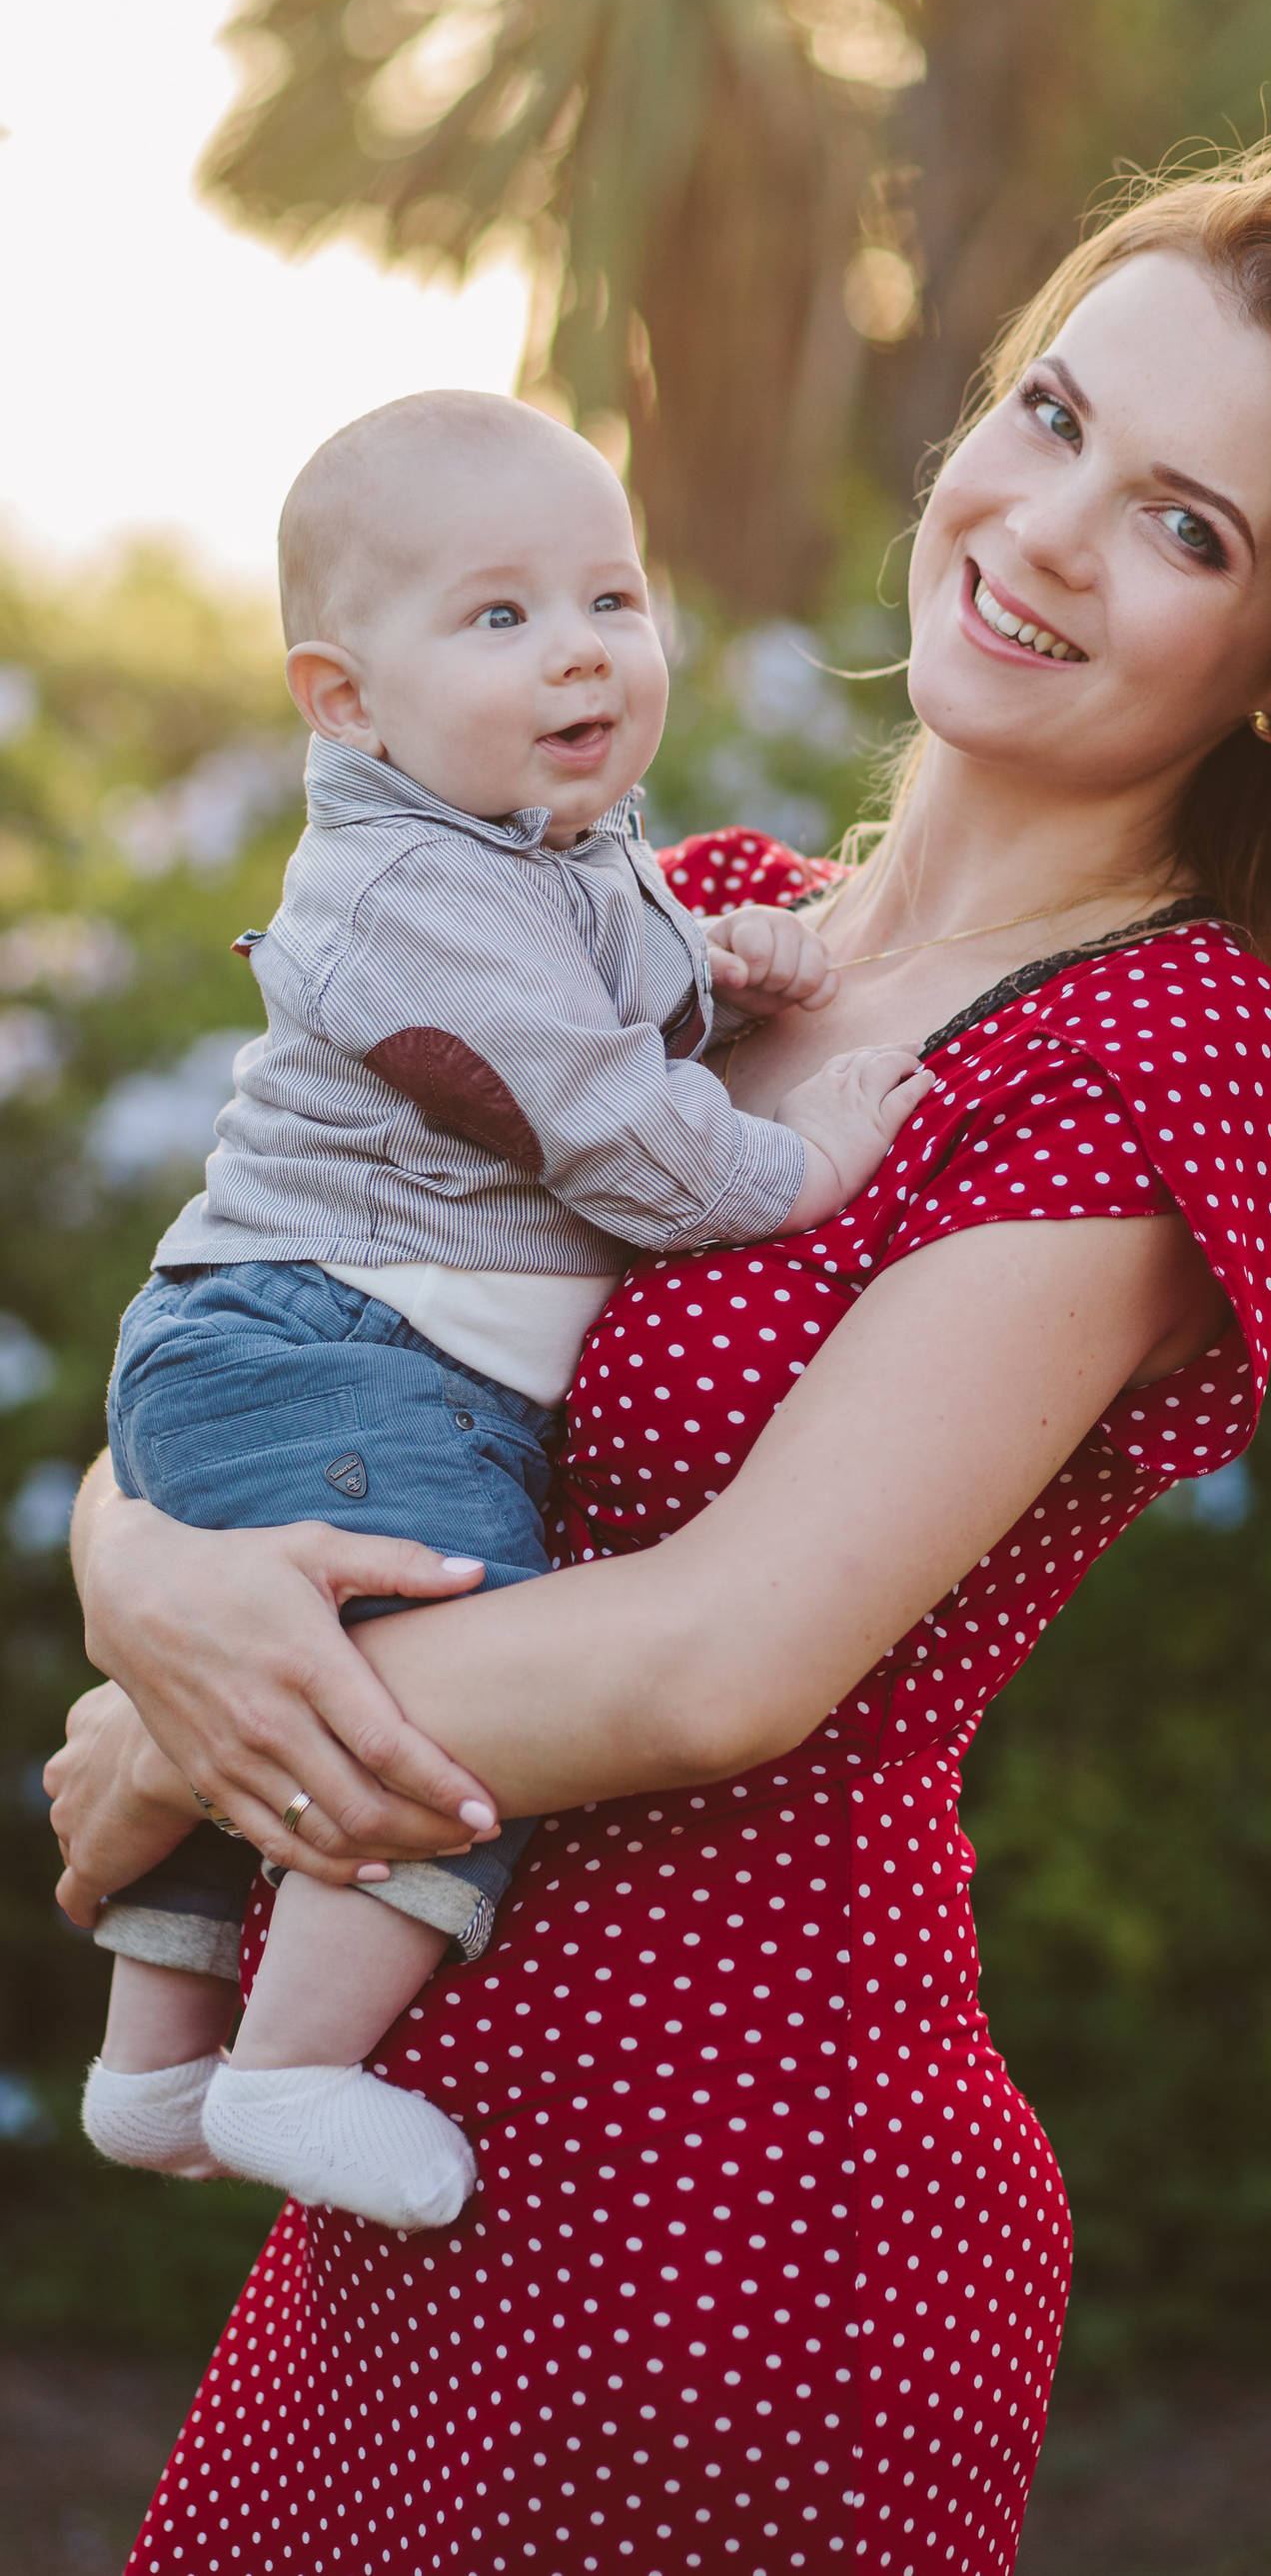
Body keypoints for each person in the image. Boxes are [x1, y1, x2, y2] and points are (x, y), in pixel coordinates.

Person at [47, 135, 1271, 2576]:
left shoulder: (1150, 1044)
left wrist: (189, 1722)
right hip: (393, 2185)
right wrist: (154, 1590)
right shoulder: (692, 920)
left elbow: (729, 1652)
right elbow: (273, 1293)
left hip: (739, 2218)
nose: (1055, 530)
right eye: (1056, 416)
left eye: (1193, 528)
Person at [81, 389, 930, 2232]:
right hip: (340, 1337)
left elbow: (614, 979)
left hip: (303, 1334)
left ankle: (154, 2065)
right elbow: (606, 1126)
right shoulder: (415, 889)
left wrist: (726, 962)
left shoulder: (535, 839)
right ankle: (289, 2066)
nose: (581, 652)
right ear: (345, 702)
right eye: (500, 618)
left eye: (611, 600)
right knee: (446, 1661)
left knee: (283, 1665)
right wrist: (810, 1165)